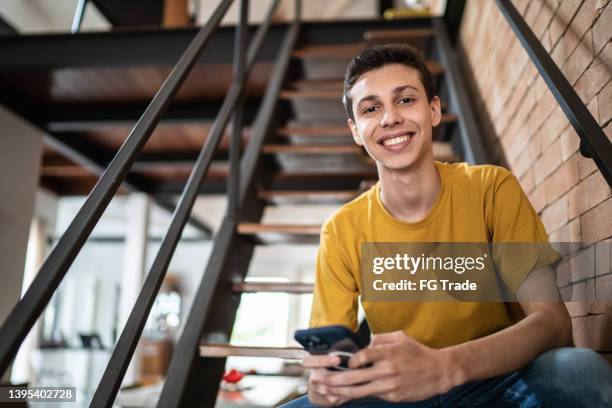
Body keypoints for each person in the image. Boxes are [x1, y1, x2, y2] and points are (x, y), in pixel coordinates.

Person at [282, 44, 612, 407]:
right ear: (356, 131)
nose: (390, 117)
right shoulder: (340, 231)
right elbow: (324, 370)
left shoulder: (491, 188)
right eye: (371, 108)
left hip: (496, 379)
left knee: (579, 373)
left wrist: (445, 367)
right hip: (399, 393)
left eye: (405, 100)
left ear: (434, 110)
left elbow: (553, 324)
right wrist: (323, 386)